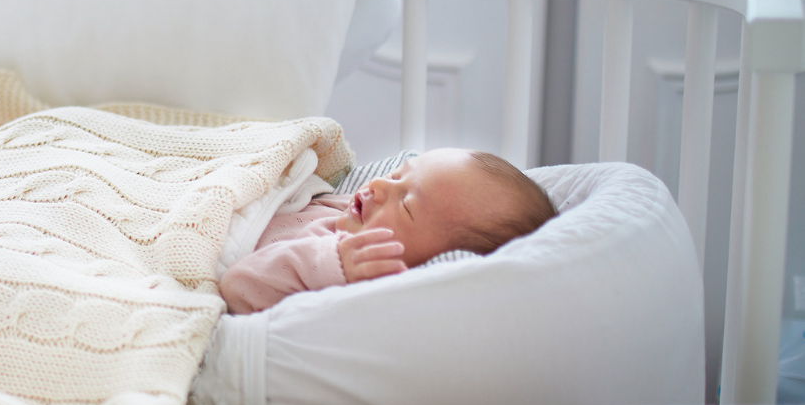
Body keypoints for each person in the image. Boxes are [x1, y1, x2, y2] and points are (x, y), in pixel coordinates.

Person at [219, 148, 556, 315]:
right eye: (397, 175)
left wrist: (330, 263)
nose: (378, 186)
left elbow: (238, 286)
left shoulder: (338, 270)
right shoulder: (348, 208)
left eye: (406, 204)